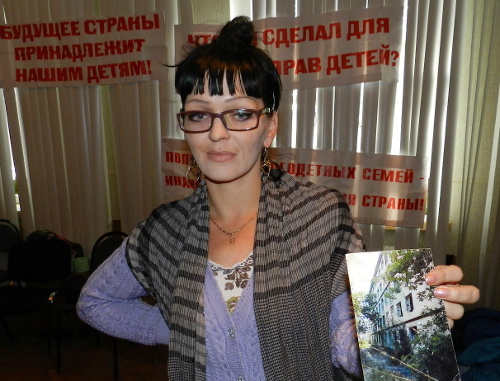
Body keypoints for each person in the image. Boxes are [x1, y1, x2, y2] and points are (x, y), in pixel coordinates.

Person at [77, 16, 480, 381]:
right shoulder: (163, 230)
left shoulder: (320, 214)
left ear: (269, 127)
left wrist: (401, 338)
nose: (217, 133)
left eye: (240, 114)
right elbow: (94, 302)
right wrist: (183, 329)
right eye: (199, 114)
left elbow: (343, 342)